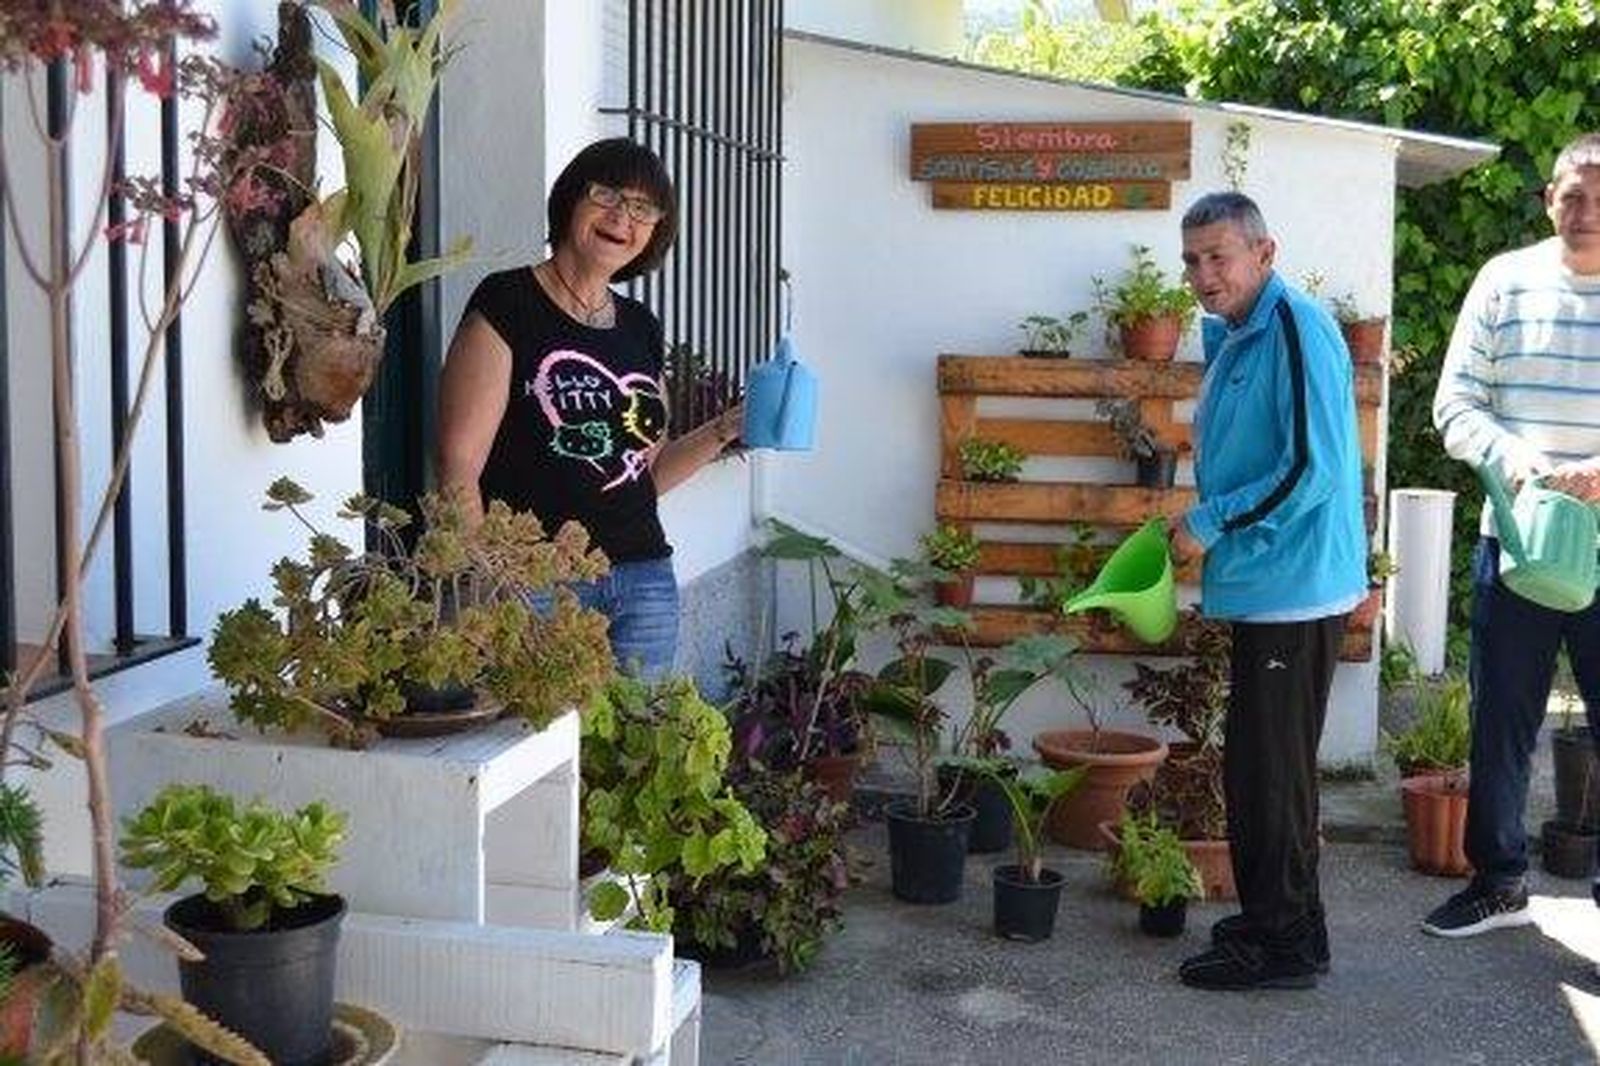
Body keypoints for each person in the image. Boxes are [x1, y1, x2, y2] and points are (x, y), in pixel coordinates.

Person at [437, 138, 741, 680]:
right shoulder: (508, 304)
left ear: (654, 231)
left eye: (643, 208)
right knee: (539, 749)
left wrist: (723, 430)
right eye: (607, 195)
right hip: (537, 582)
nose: (623, 216)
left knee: (639, 750)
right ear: (571, 201)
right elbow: (459, 463)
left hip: (643, 577)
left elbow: (642, 475)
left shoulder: (641, 328)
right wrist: (488, 584)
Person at [1167, 191, 1367, 990]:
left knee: (1268, 779)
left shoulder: (1291, 327)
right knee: (1266, 774)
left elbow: (1307, 470)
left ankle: (1283, 947)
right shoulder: (1245, 331)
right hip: (1269, 587)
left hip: (1294, 590)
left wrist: (1208, 523)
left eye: (1219, 256)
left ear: (1264, 252)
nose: (1204, 274)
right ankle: (1280, 924)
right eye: (1192, 259)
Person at [1423, 133, 1600, 938]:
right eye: (1572, 194)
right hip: (1517, 544)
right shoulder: (1505, 279)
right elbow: (1454, 405)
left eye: (1599, 195)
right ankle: (1497, 883)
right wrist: (1519, 457)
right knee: (1500, 723)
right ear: (1547, 198)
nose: (1585, 211)